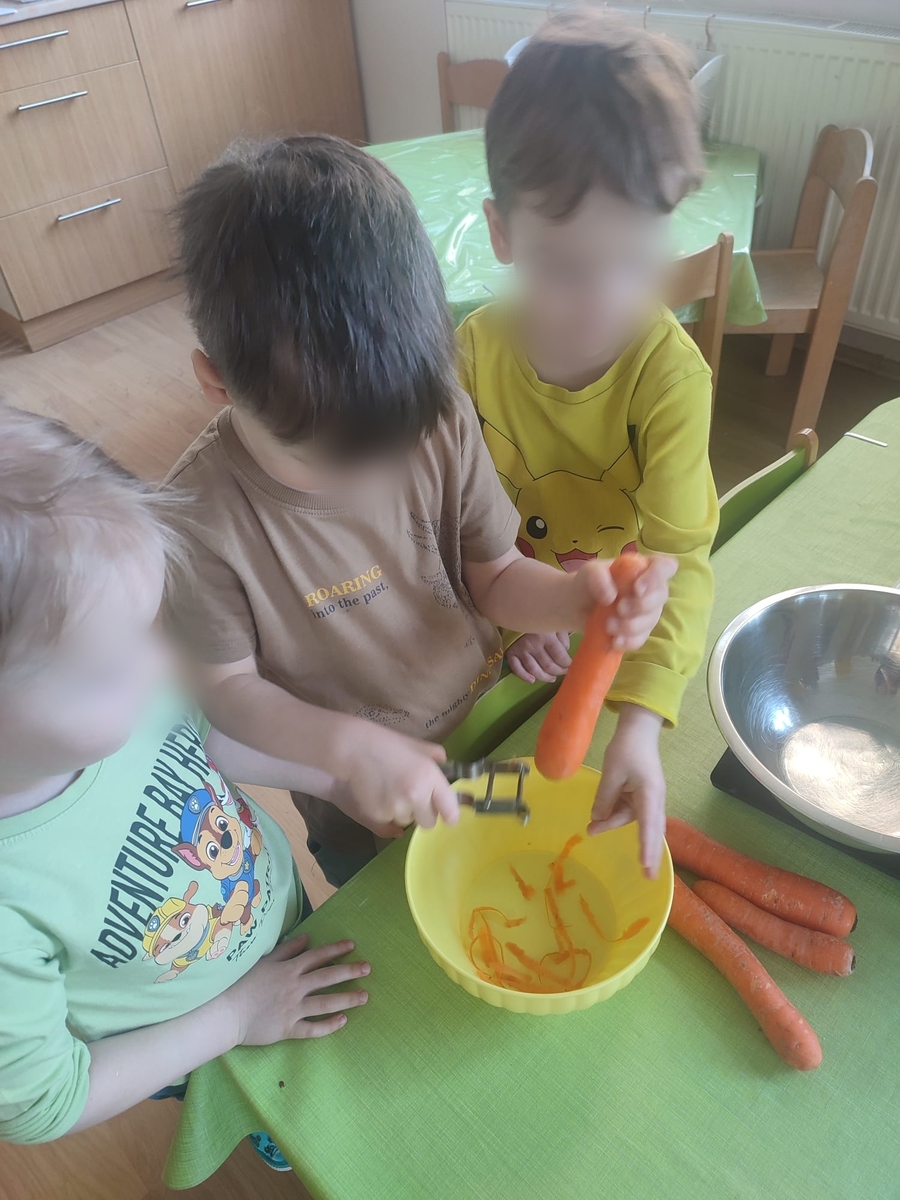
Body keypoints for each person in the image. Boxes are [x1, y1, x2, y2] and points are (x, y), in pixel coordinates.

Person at [165, 135, 675, 889]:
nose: (375, 476)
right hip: (354, 794)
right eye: (333, 458)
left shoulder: (440, 414)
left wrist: (574, 601)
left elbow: (495, 574)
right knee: (381, 901)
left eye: (395, 442)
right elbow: (226, 695)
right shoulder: (195, 522)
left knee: (508, 878)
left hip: (484, 728)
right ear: (216, 382)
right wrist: (344, 756)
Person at [0, 407, 369, 1158]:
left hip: (274, 919)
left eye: (154, 628)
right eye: (111, 668)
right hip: (196, 1038)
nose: (167, 665)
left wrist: (337, 780)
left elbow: (209, 741)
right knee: (284, 1114)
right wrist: (236, 1019)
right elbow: (46, 1101)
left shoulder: (117, 694)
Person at [458, 9, 718, 875]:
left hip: (611, 622)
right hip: (500, 616)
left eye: (637, 261)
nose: (605, 302)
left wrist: (637, 727)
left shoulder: (670, 381)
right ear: (503, 235)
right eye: (567, 267)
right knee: (474, 785)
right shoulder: (470, 359)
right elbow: (451, 526)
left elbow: (682, 558)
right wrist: (515, 620)